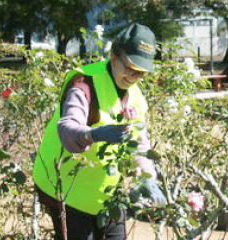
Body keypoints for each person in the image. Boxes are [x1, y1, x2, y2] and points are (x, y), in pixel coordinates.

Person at [33, 23, 166, 240]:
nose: (134, 76)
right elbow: (67, 128)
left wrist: (147, 177)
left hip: (104, 191)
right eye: (130, 67)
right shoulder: (84, 84)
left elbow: (139, 145)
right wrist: (93, 134)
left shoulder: (136, 97)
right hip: (66, 186)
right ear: (114, 58)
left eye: (141, 73)